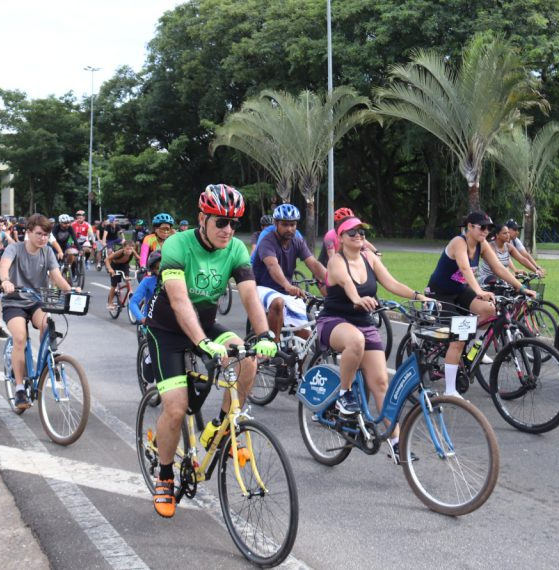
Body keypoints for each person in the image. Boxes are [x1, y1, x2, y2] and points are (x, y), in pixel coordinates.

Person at [145, 183, 277, 518]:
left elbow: (249, 293)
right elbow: (177, 299)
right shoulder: (177, 244)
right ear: (202, 218)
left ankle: (222, 425)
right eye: (221, 222)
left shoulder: (234, 249)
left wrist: (264, 335)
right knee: (176, 409)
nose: (228, 229)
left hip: (205, 323)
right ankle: (163, 476)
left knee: (247, 359)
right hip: (168, 330)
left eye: (234, 223)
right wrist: (202, 341)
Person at [318, 215, 433, 463]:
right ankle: (344, 394)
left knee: (381, 384)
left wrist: (417, 296)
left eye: (362, 232)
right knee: (355, 341)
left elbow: (390, 282)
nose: (359, 236)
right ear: (340, 238)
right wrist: (357, 299)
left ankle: (395, 442)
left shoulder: (369, 258)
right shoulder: (336, 261)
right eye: (352, 233)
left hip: (363, 322)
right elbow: (347, 283)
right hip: (334, 321)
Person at [425, 211, 535, 396]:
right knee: (458, 337)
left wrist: (520, 288)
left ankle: (473, 349)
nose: (486, 231)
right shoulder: (458, 242)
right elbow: (465, 268)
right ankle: (450, 391)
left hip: (459, 290)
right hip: (440, 293)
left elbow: (499, 268)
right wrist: (479, 291)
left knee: (488, 310)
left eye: (489, 228)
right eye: (482, 227)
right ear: (469, 226)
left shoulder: (482, 245)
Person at [0, 214, 80, 413]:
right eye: (39, 234)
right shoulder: (14, 248)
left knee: (47, 324)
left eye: (46, 235)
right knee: (20, 338)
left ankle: (46, 362)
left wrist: (70, 289)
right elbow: (4, 267)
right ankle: (19, 389)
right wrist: (6, 281)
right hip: (15, 300)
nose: (43, 238)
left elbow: (56, 276)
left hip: (37, 299)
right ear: (28, 232)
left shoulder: (48, 252)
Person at [252, 204, 328, 342]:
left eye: (293, 225)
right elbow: (272, 265)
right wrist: (288, 286)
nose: (290, 229)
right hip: (261, 287)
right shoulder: (267, 241)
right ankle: (273, 348)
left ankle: (294, 363)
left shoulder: (297, 241)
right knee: (278, 302)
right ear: (276, 223)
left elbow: (313, 264)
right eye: (285, 224)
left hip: (285, 290)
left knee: (306, 338)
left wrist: (334, 281)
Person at [129, 250, 161, 323]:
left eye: (163, 267)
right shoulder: (148, 281)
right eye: (157, 268)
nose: (160, 270)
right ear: (152, 269)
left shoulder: (176, 281)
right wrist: (142, 319)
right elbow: (133, 302)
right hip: (151, 322)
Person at [105, 240, 137, 309]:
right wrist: (110, 269)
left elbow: (139, 258)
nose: (129, 250)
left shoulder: (132, 251)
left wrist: (144, 266)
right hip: (115, 266)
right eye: (127, 249)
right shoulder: (119, 252)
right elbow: (107, 260)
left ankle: (130, 291)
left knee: (127, 279)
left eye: (131, 249)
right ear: (123, 248)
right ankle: (110, 303)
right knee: (114, 285)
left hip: (124, 266)